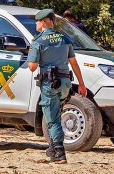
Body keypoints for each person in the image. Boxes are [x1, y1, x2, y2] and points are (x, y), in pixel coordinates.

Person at [28, 9, 88, 163]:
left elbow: (32, 66)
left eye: (37, 21)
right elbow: (73, 63)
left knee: (53, 119)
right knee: (55, 115)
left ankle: (60, 153)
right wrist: (81, 84)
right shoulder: (64, 39)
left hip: (50, 83)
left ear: (43, 22)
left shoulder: (39, 41)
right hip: (65, 83)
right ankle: (52, 148)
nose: (36, 24)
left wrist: (32, 54)